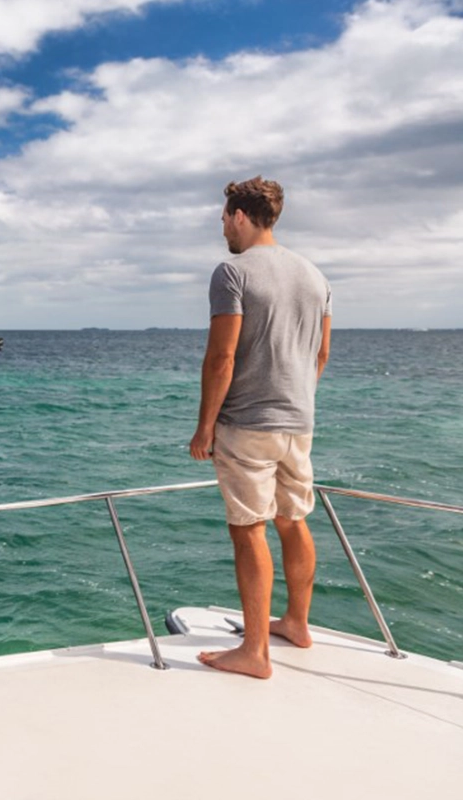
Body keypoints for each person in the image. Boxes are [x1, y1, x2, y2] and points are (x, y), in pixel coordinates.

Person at [188, 176, 332, 679]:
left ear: (241, 217)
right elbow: (320, 353)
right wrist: (297, 399)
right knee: (293, 521)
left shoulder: (232, 271)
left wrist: (205, 425)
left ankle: (254, 652)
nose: (222, 226)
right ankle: (297, 623)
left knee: (248, 529)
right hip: (300, 421)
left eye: (225, 217)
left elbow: (221, 357)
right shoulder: (314, 275)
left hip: (248, 423)